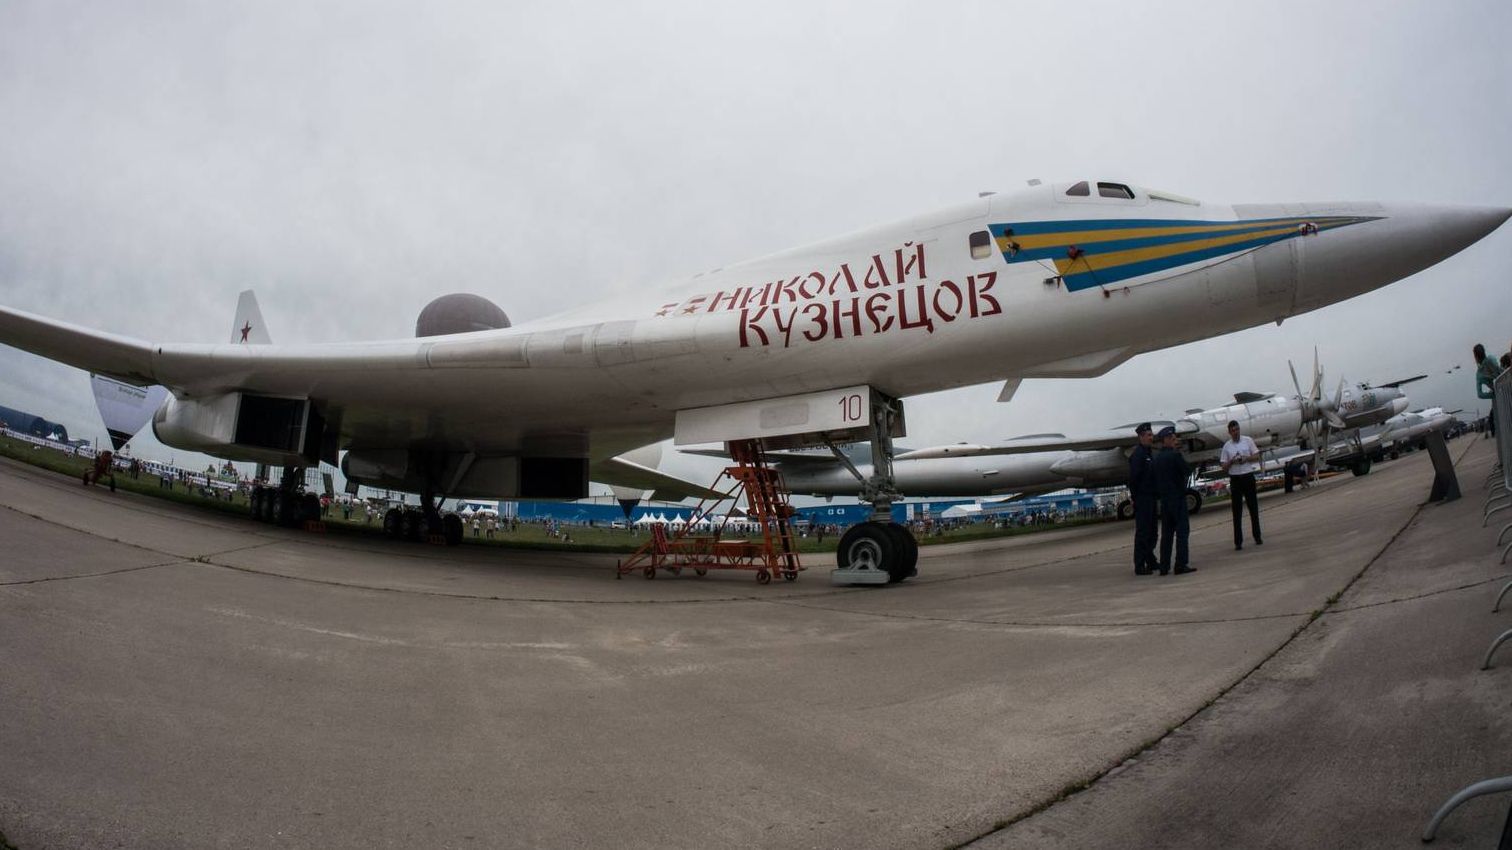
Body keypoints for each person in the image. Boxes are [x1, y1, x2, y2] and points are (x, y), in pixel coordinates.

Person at [1153, 426, 1195, 575]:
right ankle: (1180, 564)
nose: (1174, 441)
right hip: (1177, 498)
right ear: (1166, 440)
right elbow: (1187, 470)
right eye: (1172, 438)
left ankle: (1164, 566)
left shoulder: (1156, 459)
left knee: (1167, 535)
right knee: (1182, 532)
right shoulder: (1175, 456)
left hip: (1165, 501)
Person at [1220, 419, 1263, 550]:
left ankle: (1257, 536)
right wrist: (1232, 461)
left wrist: (1246, 458)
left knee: (1253, 508)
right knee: (1236, 511)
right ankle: (1238, 541)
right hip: (1235, 479)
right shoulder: (1227, 446)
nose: (1235, 432)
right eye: (1233, 431)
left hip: (1248, 476)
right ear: (1229, 432)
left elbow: (1257, 456)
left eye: (1237, 429)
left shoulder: (1247, 440)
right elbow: (1223, 466)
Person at [1127, 422, 1160, 575]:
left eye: (1151, 435)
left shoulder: (1148, 453)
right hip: (1143, 499)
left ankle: (1150, 560)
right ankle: (1139, 565)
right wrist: (1136, 498)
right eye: (1148, 435)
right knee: (1143, 532)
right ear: (1141, 437)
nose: (1151, 437)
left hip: (1151, 497)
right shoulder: (1138, 455)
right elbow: (1133, 479)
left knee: (1152, 532)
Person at [1474, 343, 1498, 438]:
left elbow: (1480, 394)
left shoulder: (1479, 374)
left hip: (1498, 396)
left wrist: (1493, 395)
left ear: (1475, 357)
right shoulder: (1492, 358)